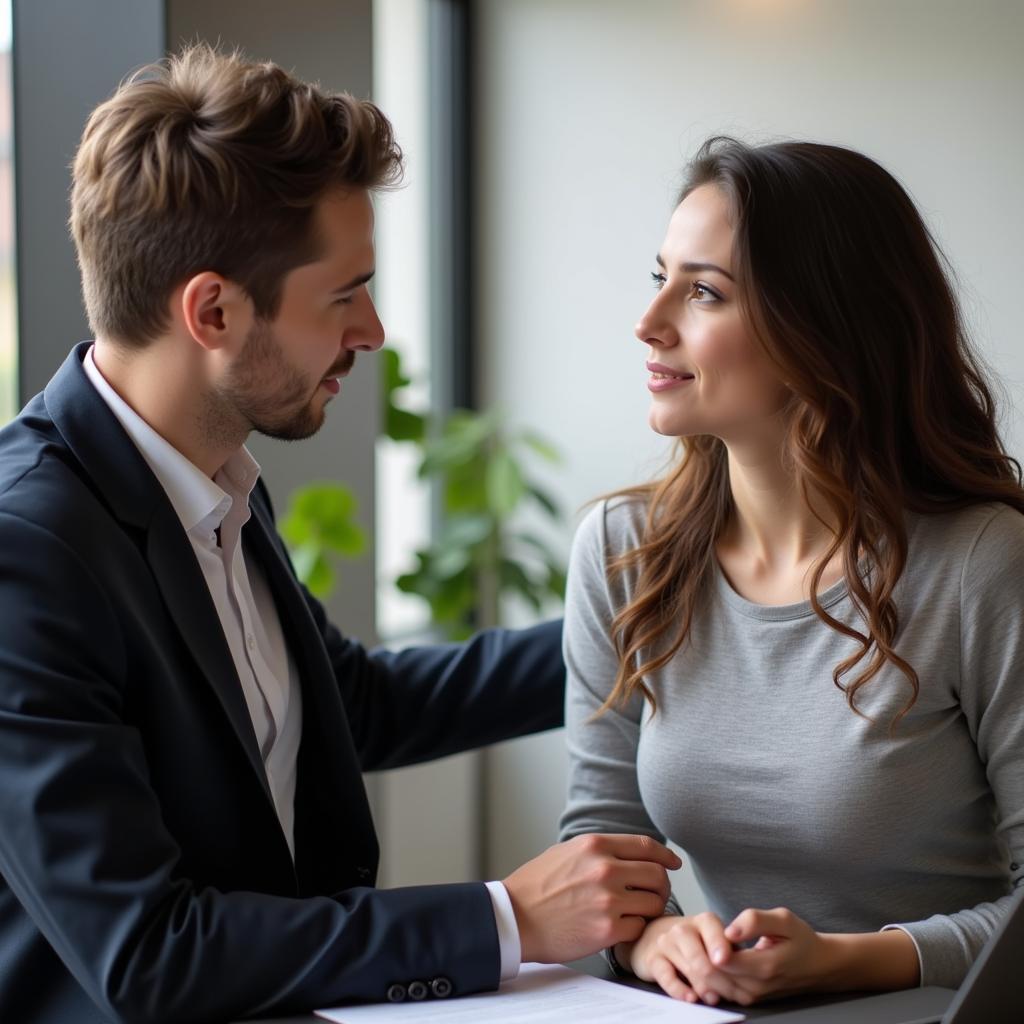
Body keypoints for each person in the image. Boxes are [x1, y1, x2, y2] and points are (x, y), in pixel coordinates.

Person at [0, 46, 681, 1024]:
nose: (373, 331)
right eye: (345, 293)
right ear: (214, 310)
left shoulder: (214, 480)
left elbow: (348, 703)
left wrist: (645, 629)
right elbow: (147, 954)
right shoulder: (26, 549)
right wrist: (504, 918)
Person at [560, 136, 1024, 1009]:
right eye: (657, 276)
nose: (650, 321)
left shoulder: (981, 564)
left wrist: (844, 963)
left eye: (703, 291)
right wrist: (659, 937)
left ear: (825, 324)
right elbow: (601, 849)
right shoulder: (622, 553)